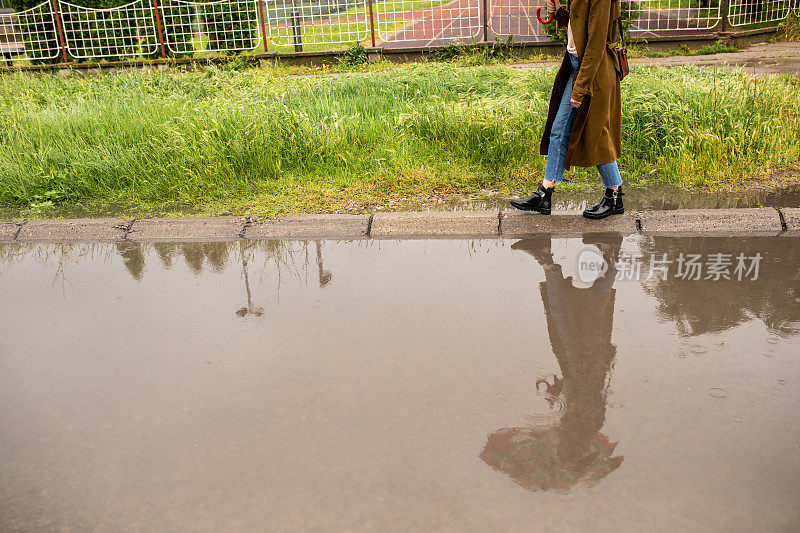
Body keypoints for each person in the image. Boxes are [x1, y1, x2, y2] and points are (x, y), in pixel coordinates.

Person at [510, 0, 626, 219]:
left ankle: (614, 196)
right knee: (559, 131)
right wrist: (560, 13)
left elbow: (596, 43)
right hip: (576, 64)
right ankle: (545, 193)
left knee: (596, 134)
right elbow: (579, 25)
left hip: (594, 73)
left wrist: (581, 87)